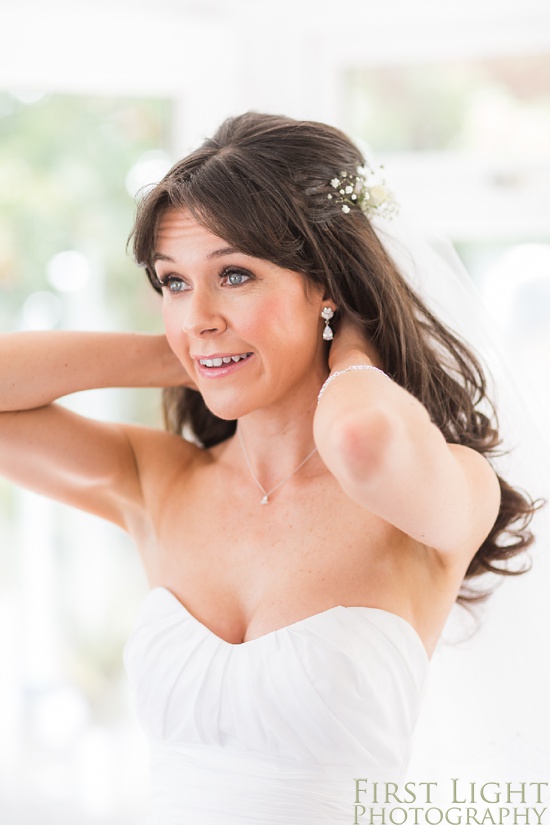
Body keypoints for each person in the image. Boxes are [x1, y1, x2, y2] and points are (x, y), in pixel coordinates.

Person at [0, 112, 542, 824]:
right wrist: (186, 353)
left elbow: (360, 438)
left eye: (234, 275)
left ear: (327, 286)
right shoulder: (158, 480)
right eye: (172, 282)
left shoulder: (442, 489)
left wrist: (353, 344)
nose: (198, 311)